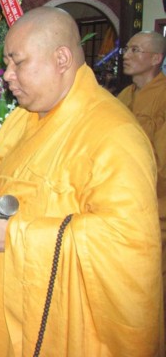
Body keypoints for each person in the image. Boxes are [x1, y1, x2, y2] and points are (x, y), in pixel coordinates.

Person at [0, 7, 164, 356]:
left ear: (62, 59)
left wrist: (18, 237)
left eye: (18, 63)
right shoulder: (24, 117)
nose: (7, 76)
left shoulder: (115, 134)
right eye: (7, 63)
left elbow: (127, 243)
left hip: (57, 326)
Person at [117, 30, 166, 327]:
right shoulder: (124, 96)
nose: (126, 55)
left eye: (135, 50)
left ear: (156, 58)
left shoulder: (163, 97)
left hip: (154, 207)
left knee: (149, 291)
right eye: (127, 49)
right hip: (119, 207)